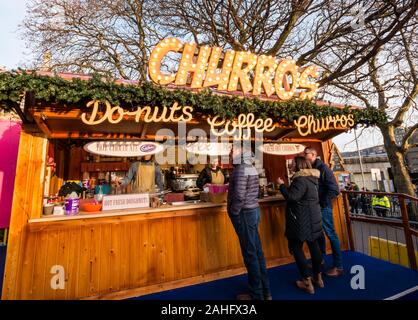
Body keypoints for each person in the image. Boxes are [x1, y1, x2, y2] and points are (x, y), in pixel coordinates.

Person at [227, 145, 271, 300]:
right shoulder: (250, 166)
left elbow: (239, 195)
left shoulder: (240, 169)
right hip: (253, 211)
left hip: (244, 214)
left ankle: (256, 294)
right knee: (257, 252)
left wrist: (233, 211)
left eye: (232, 151)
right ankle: (265, 292)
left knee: (250, 254)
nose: (230, 154)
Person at [277, 157, 324, 294]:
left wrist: (281, 185)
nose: (290, 166)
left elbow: (292, 197)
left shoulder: (300, 180)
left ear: (298, 166)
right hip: (314, 218)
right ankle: (318, 277)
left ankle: (307, 282)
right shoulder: (313, 179)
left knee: (296, 248)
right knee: (314, 246)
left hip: (300, 220)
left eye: (292, 164)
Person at [304, 147, 343, 277]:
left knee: (331, 234)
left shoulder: (323, 168)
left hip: (323, 207)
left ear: (314, 155)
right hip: (316, 207)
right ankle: (319, 260)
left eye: (306, 154)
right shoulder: (312, 168)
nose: (304, 156)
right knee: (319, 234)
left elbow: (334, 190)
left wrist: (322, 202)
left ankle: (338, 266)